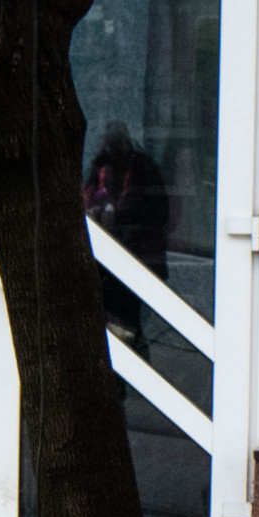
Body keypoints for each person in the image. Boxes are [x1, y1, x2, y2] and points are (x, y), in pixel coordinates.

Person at [83, 120, 170, 353]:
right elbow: (85, 200)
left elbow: (159, 212)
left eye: (117, 144)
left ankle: (138, 375)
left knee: (130, 326)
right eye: (109, 146)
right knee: (109, 326)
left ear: (127, 143)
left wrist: (118, 216)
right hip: (103, 262)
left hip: (137, 258)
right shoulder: (99, 168)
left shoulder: (143, 168)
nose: (113, 151)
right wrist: (95, 213)